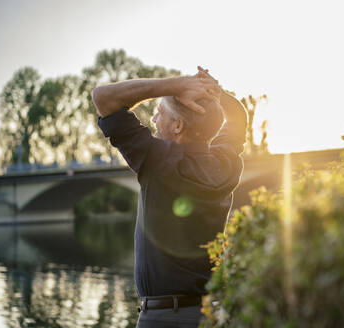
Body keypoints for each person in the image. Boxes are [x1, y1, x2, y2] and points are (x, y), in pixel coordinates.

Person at [92, 67, 247, 327]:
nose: (153, 119)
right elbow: (239, 117)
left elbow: (103, 97)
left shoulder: (156, 161)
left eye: (160, 113)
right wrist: (209, 90)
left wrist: (177, 86)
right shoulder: (225, 163)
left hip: (164, 319)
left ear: (178, 126)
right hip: (210, 317)